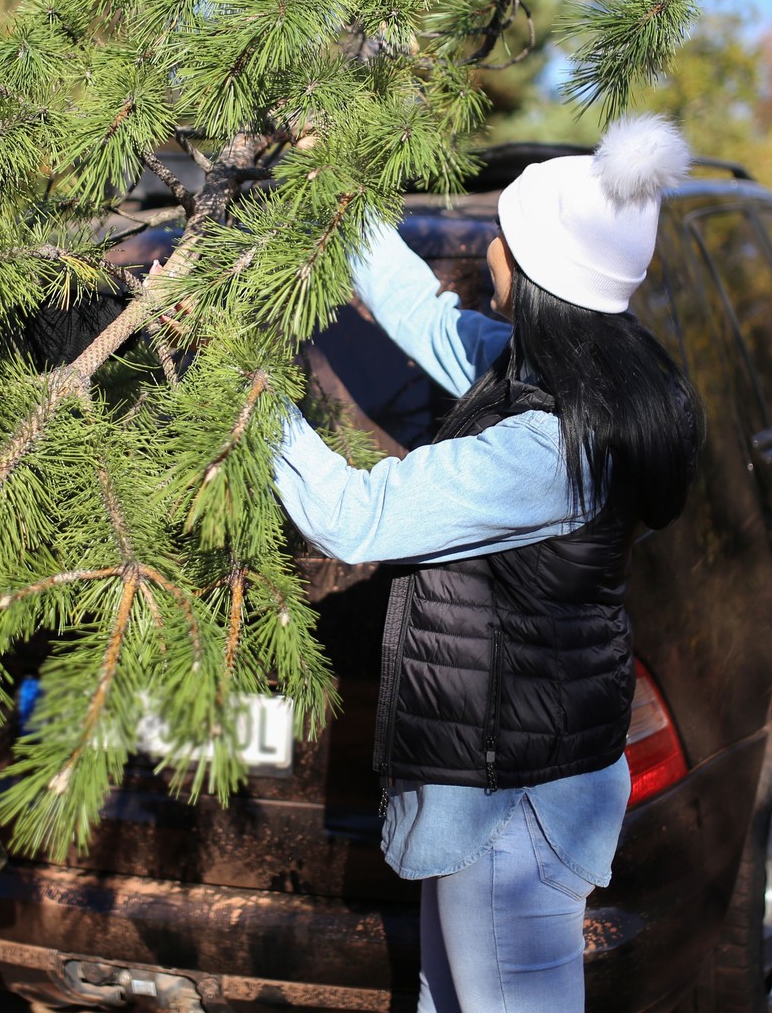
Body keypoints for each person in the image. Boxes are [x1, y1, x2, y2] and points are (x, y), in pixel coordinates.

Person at [271, 115, 703, 1012]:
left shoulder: (554, 448)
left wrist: (242, 393)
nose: (488, 249)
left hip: (513, 801)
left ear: (542, 279)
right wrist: (334, 182)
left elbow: (356, 518)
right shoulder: (562, 369)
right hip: (506, 779)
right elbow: (423, 317)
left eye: (507, 239)